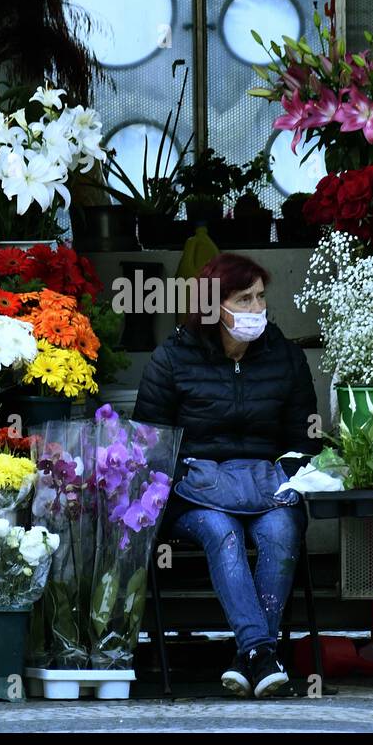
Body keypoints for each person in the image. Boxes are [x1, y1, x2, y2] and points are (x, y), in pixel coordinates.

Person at [133, 253, 320, 698]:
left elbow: (305, 438)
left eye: (260, 297)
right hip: (194, 493)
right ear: (215, 306)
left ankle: (250, 656)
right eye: (245, 298)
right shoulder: (173, 358)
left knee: (281, 529)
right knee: (222, 531)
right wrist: (189, 479)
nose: (258, 308)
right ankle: (262, 651)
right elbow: (148, 443)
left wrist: (289, 479)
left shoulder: (285, 357)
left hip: (266, 486)